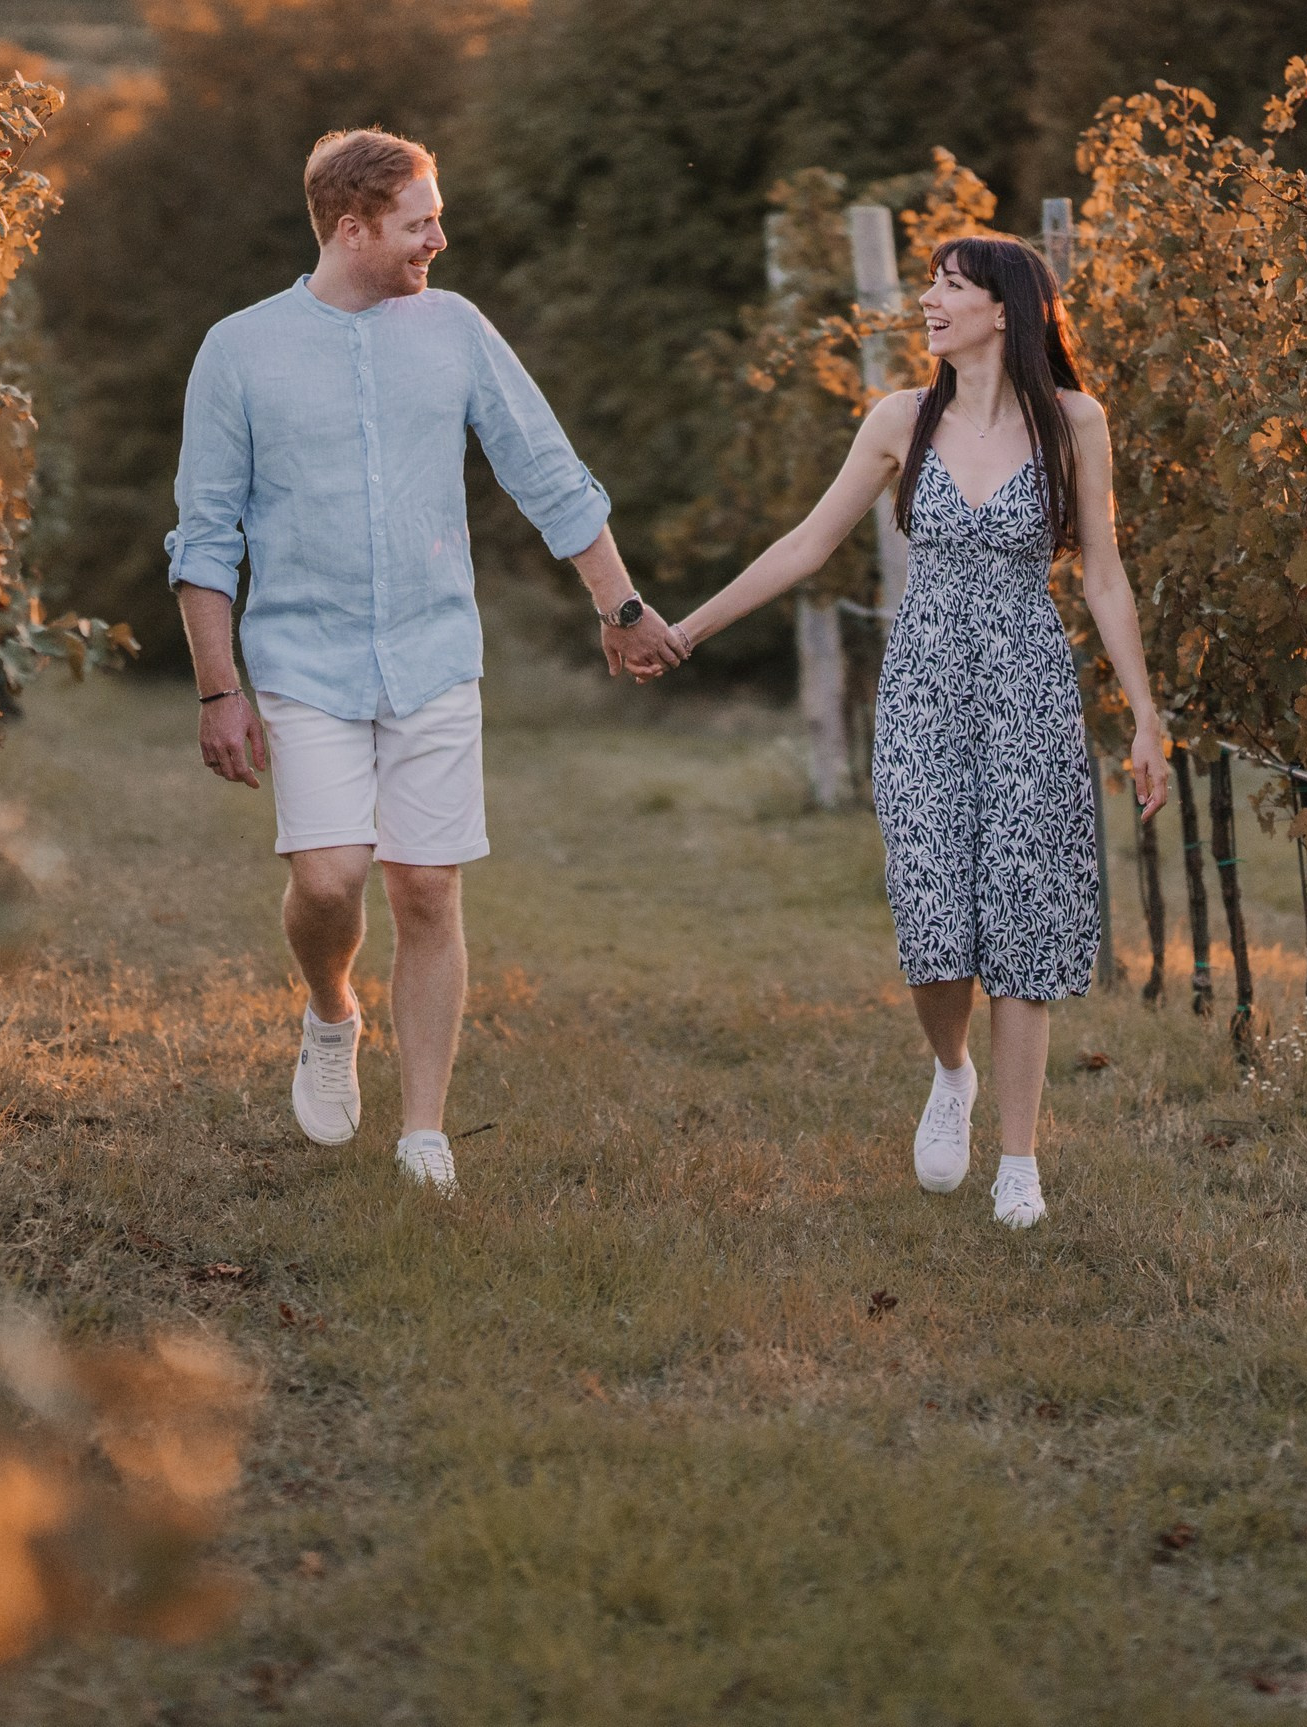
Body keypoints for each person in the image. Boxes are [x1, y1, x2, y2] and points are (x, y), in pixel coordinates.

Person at [165, 128, 681, 1194]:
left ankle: (423, 1133)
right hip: (301, 659)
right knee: (328, 878)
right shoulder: (240, 350)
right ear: (351, 230)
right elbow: (205, 535)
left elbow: (546, 470)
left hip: (435, 653)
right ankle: (329, 1010)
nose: (438, 238)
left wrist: (620, 603)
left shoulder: (453, 330)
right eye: (418, 223)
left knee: (428, 891)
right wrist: (220, 688)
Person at [663, 234, 1169, 1229]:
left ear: (1003, 310)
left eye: (949, 286)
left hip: (1027, 686)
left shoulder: (1076, 421)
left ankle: (1018, 1164)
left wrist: (1146, 716)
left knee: (1023, 919)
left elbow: (1102, 574)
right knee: (935, 927)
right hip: (924, 692)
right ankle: (951, 1071)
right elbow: (808, 544)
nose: (927, 300)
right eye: (930, 283)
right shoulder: (899, 418)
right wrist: (684, 629)